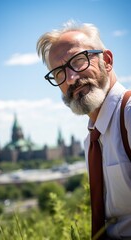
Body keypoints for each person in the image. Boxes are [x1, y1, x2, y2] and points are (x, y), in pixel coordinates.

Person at [36, 21, 131, 239]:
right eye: (59, 73)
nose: (71, 78)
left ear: (106, 61)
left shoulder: (129, 116)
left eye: (78, 61)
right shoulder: (92, 140)